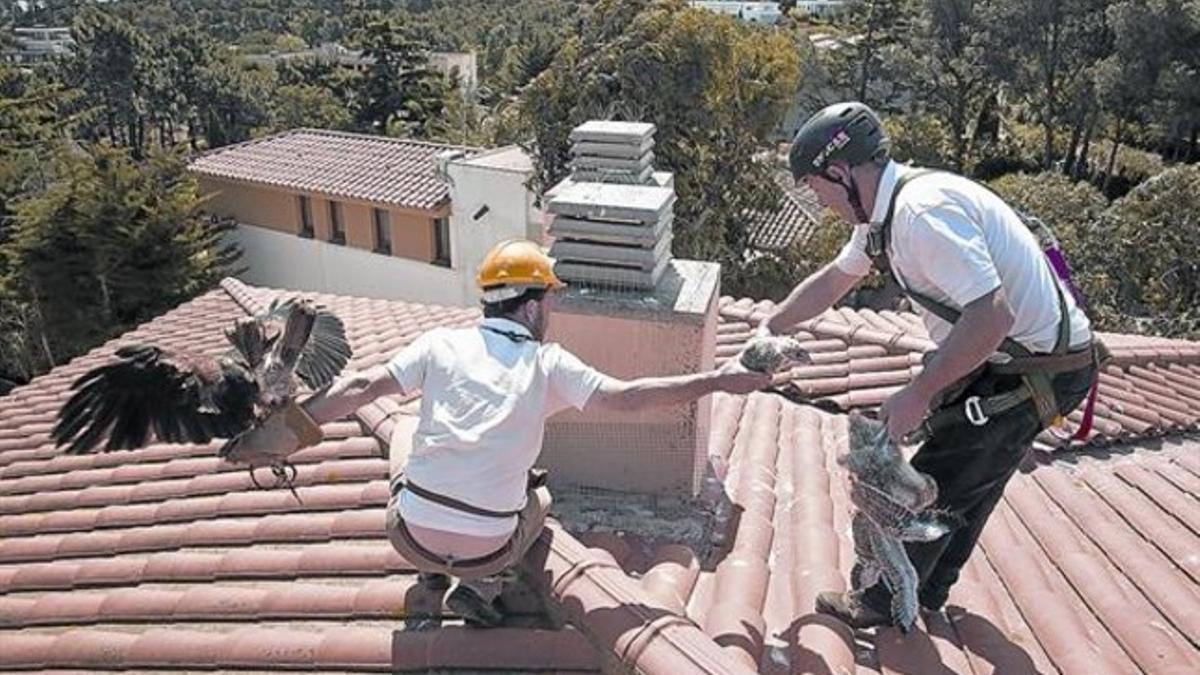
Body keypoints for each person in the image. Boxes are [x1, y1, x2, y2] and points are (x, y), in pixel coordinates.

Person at [227, 238, 777, 627]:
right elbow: (627, 398)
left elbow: (366, 385)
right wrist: (720, 380)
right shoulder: (549, 364)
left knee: (403, 431)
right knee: (538, 492)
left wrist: (287, 425)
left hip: (408, 534)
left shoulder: (440, 344)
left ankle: (432, 581)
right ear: (534, 304)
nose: (553, 310)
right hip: (489, 548)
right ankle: (480, 586)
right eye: (551, 300)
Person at [760, 102, 1104, 628]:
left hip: (1035, 369)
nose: (820, 201)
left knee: (932, 482)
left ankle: (879, 601)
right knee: (970, 475)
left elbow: (991, 316)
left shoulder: (920, 215)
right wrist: (771, 329)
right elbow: (834, 281)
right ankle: (929, 589)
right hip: (1017, 361)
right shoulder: (885, 215)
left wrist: (918, 392)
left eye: (817, 187)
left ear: (840, 171)